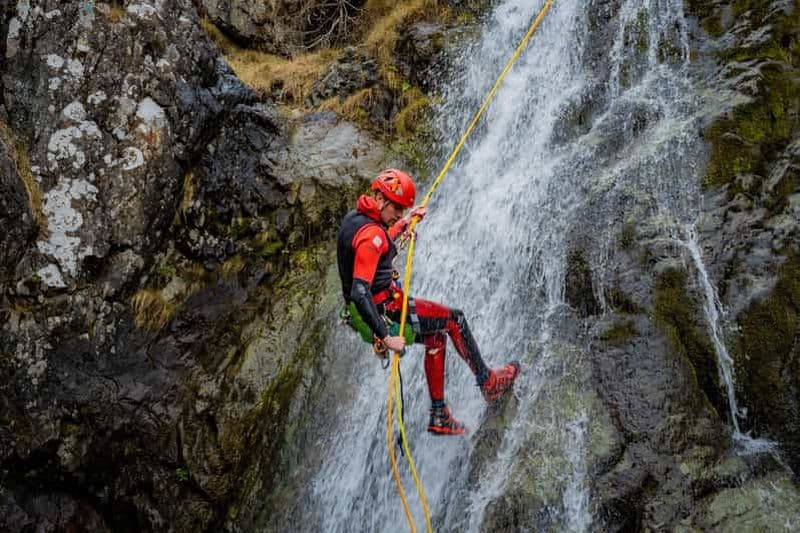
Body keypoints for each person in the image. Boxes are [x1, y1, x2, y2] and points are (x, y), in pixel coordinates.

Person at [336, 168, 521, 435]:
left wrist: (405, 225)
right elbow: (360, 290)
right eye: (397, 208)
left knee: (436, 337)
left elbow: (378, 246)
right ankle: (489, 382)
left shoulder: (355, 220)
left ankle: (439, 414)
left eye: (403, 209)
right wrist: (386, 337)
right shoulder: (372, 236)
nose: (399, 213)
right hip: (384, 312)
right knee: (454, 320)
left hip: (363, 315)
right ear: (380, 198)